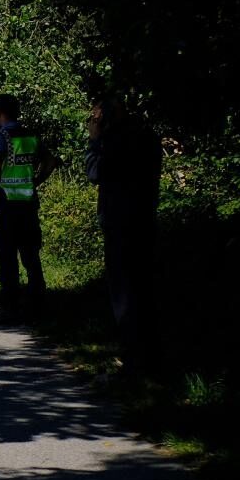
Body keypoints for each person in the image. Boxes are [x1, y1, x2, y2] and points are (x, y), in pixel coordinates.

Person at [85, 96, 163, 374]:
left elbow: (94, 173)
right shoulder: (148, 137)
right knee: (144, 287)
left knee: (123, 292)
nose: (93, 124)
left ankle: (133, 359)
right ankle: (149, 355)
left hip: (119, 221)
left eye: (95, 119)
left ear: (106, 118)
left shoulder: (114, 142)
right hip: (145, 219)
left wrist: (94, 141)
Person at [0, 94, 52, 322]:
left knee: (7, 258)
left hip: (7, 203)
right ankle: (38, 305)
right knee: (31, 255)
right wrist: (36, 180)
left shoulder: (1, 136)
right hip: (28, 202)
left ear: (0, 113)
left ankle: (10, 308)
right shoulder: (30, 135)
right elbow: (49, 161)